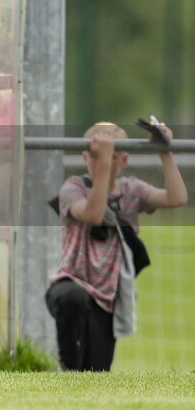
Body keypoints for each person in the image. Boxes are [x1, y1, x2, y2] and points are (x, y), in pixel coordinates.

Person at [46, 121, 188, 371]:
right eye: (95, 156)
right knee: (72, 300)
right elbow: (93, 214)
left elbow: (177, 198)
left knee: (96, 372)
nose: (101, 162)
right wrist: (102, 167)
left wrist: (164, 151)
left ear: (123, 160)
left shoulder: (131, 190)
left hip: (107, 297)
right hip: (72, 283)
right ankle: (67, 365)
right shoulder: (74, 187)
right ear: (85, 157)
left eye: (111, 157)